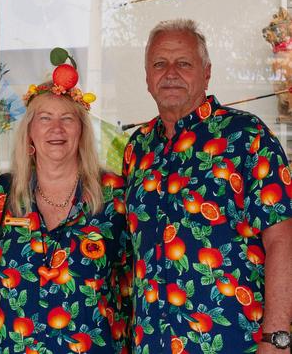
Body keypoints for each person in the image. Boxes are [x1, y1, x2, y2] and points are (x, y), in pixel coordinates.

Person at [123, 18, 292, 353]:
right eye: (159, 63)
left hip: (232, 342)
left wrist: (277, 338)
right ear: (147, 77)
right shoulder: (137, 148)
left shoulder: (246, 136)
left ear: (207, 72)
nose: (170, 72)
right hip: (150, 344)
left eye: (183, 63)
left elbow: (282, 240)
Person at [0, 50, 128, 353]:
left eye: (67, 119)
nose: (56, 129)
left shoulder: (114, 194)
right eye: (45, 118)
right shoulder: (3, 194)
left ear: (82, 130)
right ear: (30, 132)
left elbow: (136, 278)